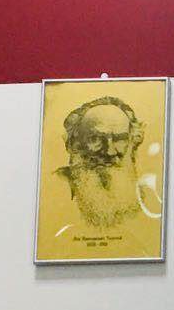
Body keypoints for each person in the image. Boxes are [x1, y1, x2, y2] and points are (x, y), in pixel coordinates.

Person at [53, 96, 157, 232]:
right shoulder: (55, 187)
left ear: (132, 142)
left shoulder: (146, 194)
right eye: (95, 139)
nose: (109, 151)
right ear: (74, 143)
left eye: (119, 139)